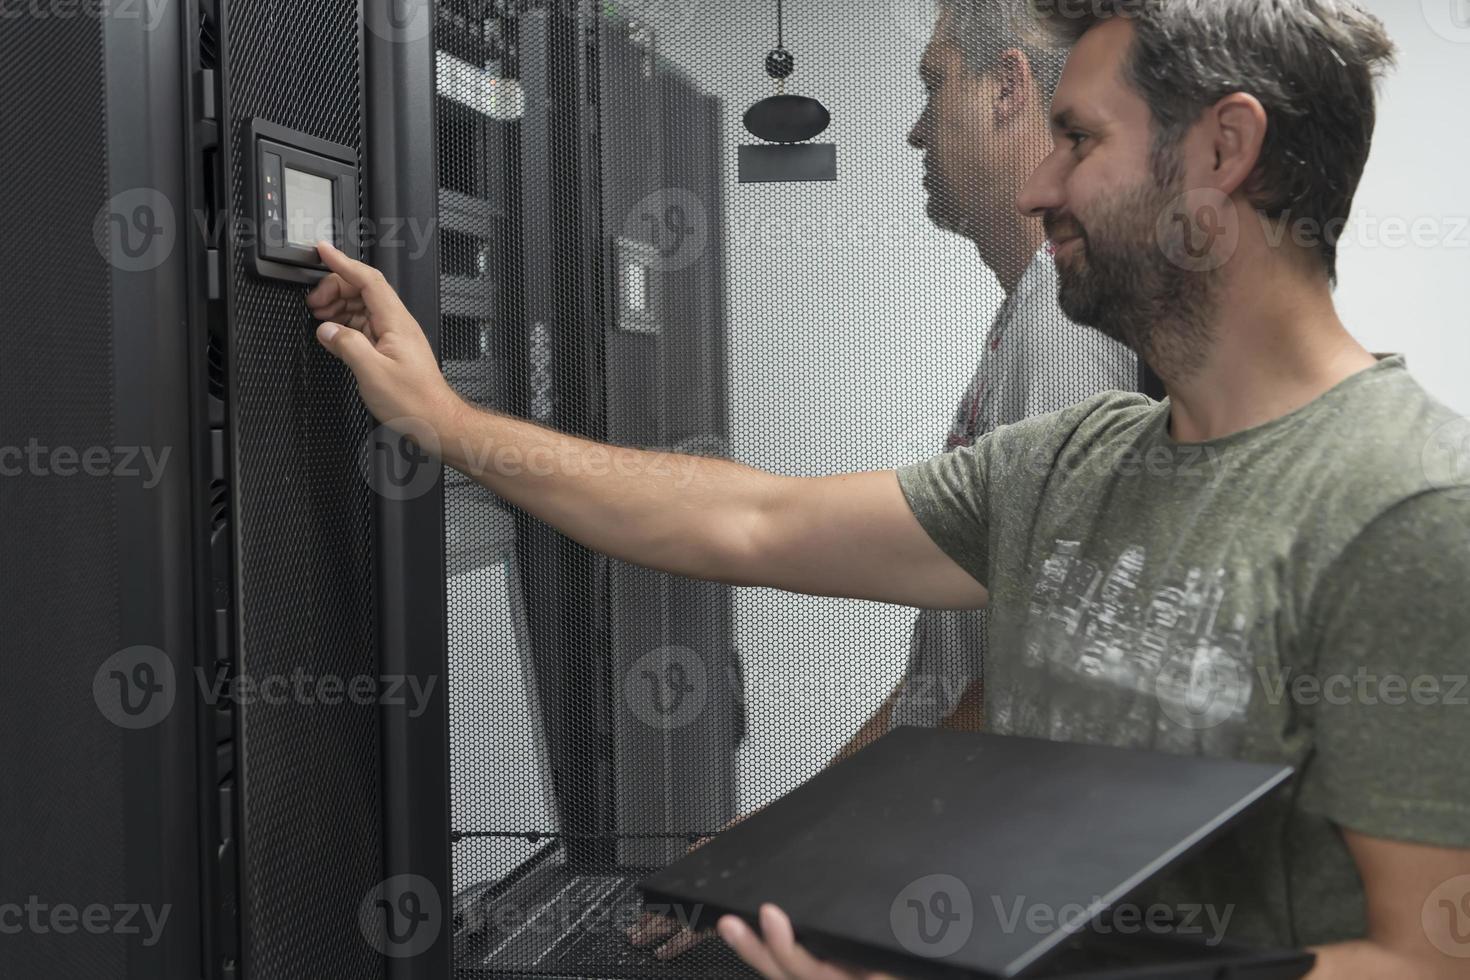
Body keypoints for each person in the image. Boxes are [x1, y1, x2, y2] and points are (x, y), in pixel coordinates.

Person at [305, 0, 1470, 975]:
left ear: (1223, 151)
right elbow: (752, 519)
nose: (1037, 187)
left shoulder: (1406, 505)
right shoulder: (1077, 459)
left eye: (1078, 138)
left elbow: (1425, 955)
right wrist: (450, 425)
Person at [625, 1, 1140, 960]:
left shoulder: (1066, 336)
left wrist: (800, 855)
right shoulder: (1026, 323)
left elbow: (1032, 676)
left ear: (1007, 90)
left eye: (933, 83)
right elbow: (937, 688)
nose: (913, 127)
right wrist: (765, 842)